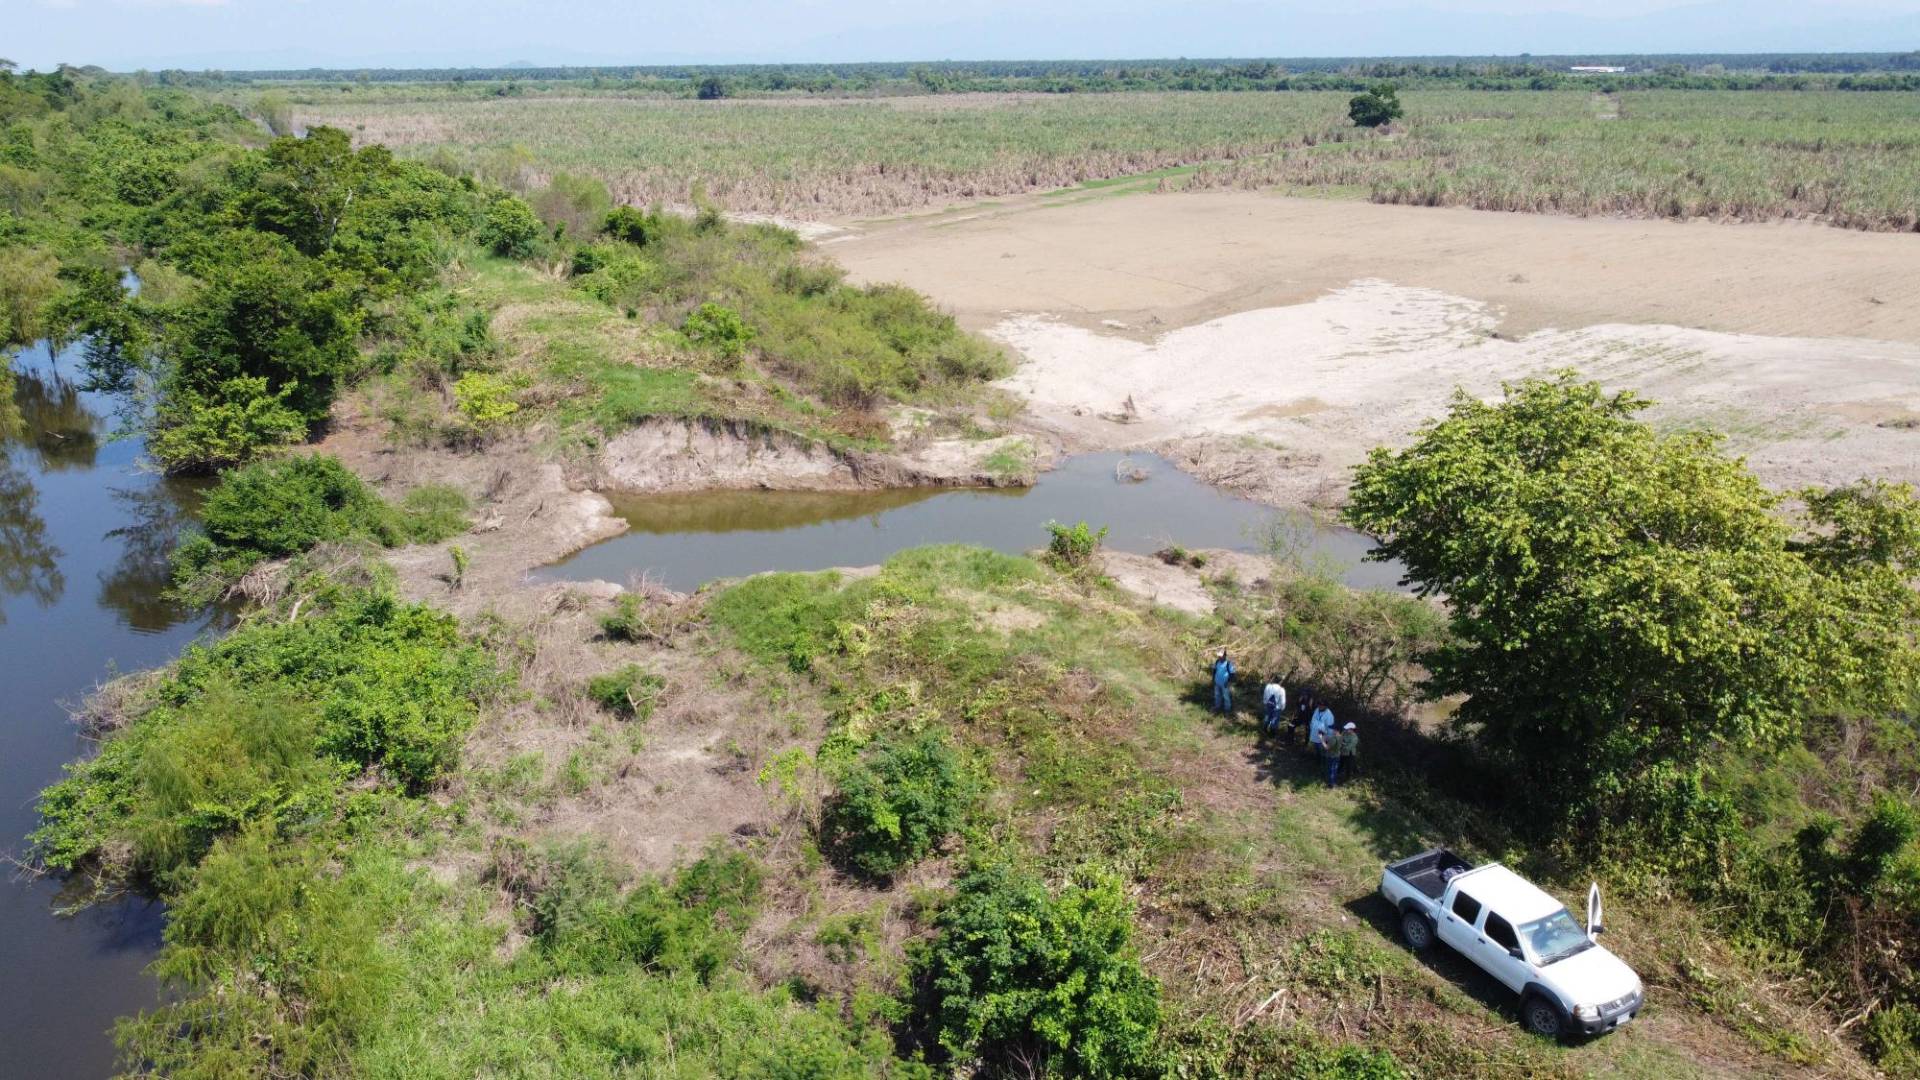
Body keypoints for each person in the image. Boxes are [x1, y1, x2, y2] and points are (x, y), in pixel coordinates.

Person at [1314, 718, 1341, 787]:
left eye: (1333, 729)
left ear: (1336, 730)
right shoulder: (1340, 736)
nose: (1332, 730)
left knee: (1330, 770)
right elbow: (1330, 739)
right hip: (1337, 755)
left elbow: (1326, 747)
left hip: (1331, 756)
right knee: (1334, 769)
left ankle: (1331, 784)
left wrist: (1321, 739)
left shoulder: (1333, 738)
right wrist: (1324, 736)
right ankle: (1333, 782)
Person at [1211, 648, 1235, 715]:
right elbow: (1214, 670)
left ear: (1225, 656)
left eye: (1221, 656)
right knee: (1217, 695)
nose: (1219, 657)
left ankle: (1227, 710)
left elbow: (1232, 674)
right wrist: (1213, 679)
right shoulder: (1216, 662)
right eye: (1218, 656)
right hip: (1217, 683)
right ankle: (1217, 707)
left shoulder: (1229, 664)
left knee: (1226, 697)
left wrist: (1228, 682)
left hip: (1225, 684)